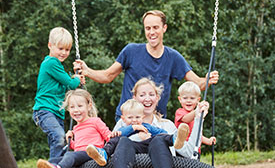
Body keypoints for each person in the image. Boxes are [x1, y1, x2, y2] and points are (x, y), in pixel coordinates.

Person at [73, 10, 219, 120]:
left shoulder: (173, 57)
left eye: (155, 27)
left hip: (156, 120)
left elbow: (198, 84)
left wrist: (207, 79)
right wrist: (87, 71)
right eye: (148, 28)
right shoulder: (131, 51)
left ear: (164, 28)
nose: (151, 32)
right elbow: (107, 75)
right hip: (128, 118)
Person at [6, 89, 116, 168]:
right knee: (54, 160)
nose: (76, 110)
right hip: (80, 156)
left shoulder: (95, 121)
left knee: (68, 155)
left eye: (80, 106)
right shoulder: (76, 128)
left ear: (89, 106)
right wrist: (70, 141)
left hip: (94, 155)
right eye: (72, 107)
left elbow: (108, 136)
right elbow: (77, 146)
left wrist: (110, 144)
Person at [109, 100, 210, 168]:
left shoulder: (166, 125)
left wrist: (199, 118)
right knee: (123, 140)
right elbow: (113, 144)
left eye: (151, 94)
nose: (147, 99)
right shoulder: (122, 125)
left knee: (158, 139)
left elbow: (189, 152)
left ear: (157, 99)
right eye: (142, 95)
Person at [86, 98, 189, 165]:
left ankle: (175, 139)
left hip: (146, 153)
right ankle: (103, 153)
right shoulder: (125, 128)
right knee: (116, 139)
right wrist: (133, 128)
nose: (134, 120)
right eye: (130, 117)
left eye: (137, 117)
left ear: (143, 117)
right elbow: (120, 134)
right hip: (128, 156)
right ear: (123, 118)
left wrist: (166, 136)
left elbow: (161, 131)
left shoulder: (146, 126)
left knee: (160, 137)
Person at [32, 27, 85, 159]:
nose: (64, 53)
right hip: (45, 110)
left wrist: (76, 79)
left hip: (56, 112)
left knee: (61, 145)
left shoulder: (56, 66)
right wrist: (76, 79)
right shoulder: (51, 63)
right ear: (50, 45)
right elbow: (71, 84)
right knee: (60, 137)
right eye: (60, 49)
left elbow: (68, 85)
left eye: (67, 50)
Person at [175, 81, 216, 147]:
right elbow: (186, 119)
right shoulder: (179, 112)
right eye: (185, 98)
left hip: (195, 149)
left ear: (198, 100)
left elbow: (197, 134)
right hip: (182, 148)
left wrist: (208, 141)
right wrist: (197, 110)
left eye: (192, 98)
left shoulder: (198, 115)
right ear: (180, 99)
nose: (188, 100)